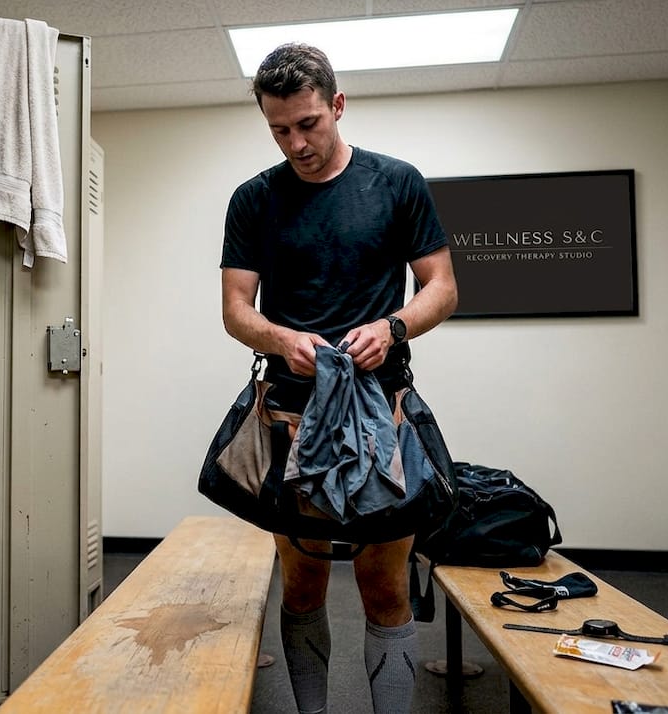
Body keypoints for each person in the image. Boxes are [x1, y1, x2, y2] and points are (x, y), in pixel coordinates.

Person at [219, 43, 458, 714]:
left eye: (308, 124)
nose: (296, 143)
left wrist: (393, 327)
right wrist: (281, 338)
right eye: (279, 130)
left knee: (384, 585)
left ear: (338, 106)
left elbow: (442, 287)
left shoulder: (397, 183)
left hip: (383, 409)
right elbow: (236, 310)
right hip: (292, 413)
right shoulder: (254, 200)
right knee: (302, 585)